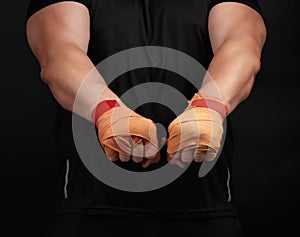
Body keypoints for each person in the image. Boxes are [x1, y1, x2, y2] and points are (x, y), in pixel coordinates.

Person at [26, 0, 266, 236]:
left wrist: (207, 108)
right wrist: (108, 111)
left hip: (205, 210)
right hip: (90, 209)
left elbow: (242, 46)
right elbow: (58, 53)